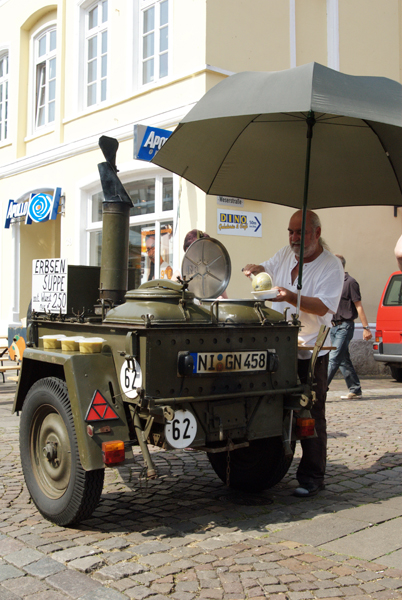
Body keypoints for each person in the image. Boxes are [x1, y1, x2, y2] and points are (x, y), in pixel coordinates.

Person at [243, 209, 343, 498]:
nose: (295, 238)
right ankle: (265, 464)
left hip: (310, 351)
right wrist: (255, 269)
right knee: (272, 407)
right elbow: (267, 269)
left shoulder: (330, 266)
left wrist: (289, 296)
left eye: (301, 233)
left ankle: (312, 476)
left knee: (310, 411)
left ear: (317, 233)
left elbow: (323, 307)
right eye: (291, 231)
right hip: (278, 347)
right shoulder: (286, 255)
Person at [327, 255, 372, 399]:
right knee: (343, 359)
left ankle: (318, 391)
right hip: (333, 327)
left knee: (333, 359)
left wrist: (366, 328)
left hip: (345, 326)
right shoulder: (331, 283)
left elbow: (358, 306)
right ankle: (355, 388)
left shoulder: (351, 282)